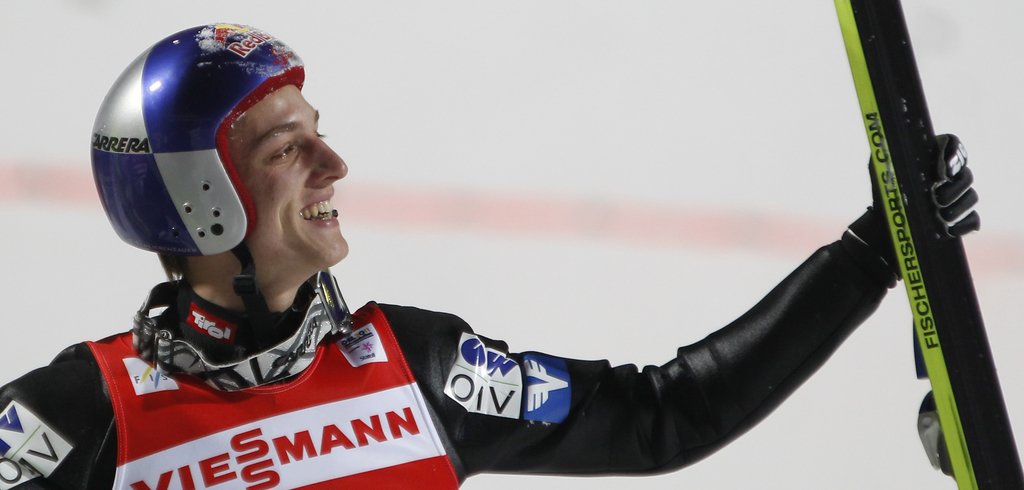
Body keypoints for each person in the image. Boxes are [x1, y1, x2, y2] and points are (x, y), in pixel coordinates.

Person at [0, 23, 979, 490]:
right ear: (197, 195)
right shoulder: (78, 417)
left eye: (319, 134)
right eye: (288, 149)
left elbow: (665, 415)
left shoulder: (419, 372)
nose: (334, 165)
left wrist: (872, 250)